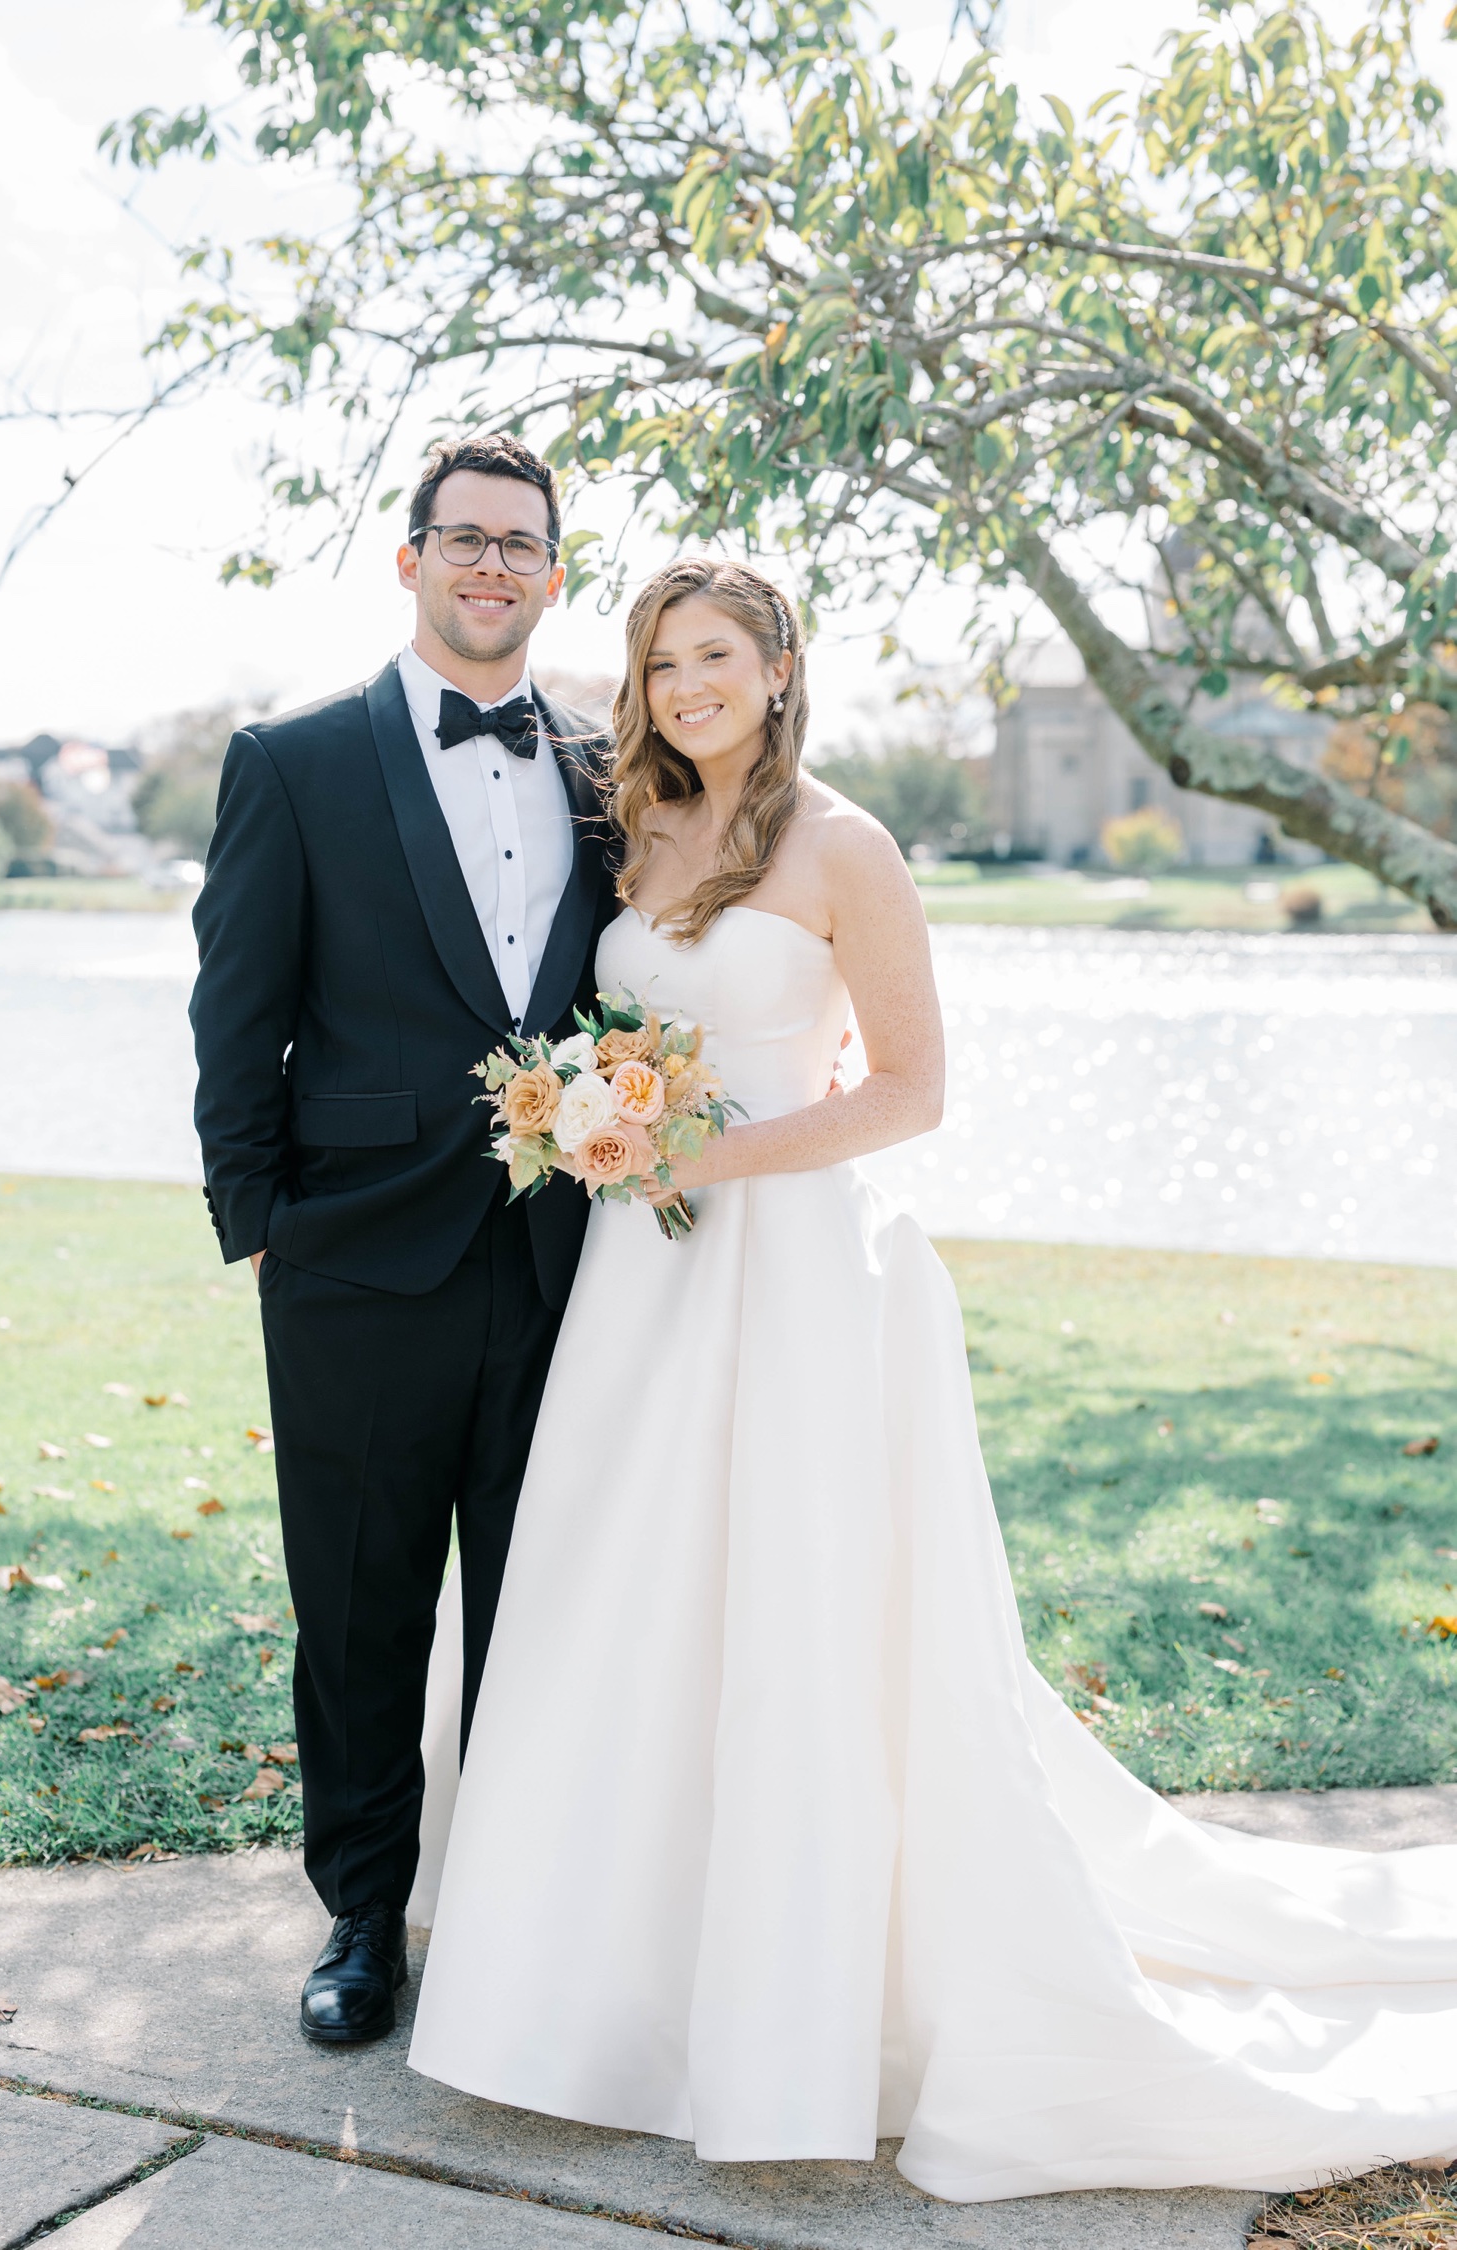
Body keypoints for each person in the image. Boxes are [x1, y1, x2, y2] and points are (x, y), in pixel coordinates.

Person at [407, 556, 1457, 2202]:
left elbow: (912, 1089)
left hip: (794, 1269)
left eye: (714, 657)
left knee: (799, 1627)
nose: (685, 685)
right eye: (661, 659)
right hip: (641, 1277)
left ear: (777, 666)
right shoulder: (636, 825)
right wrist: (588, 1116)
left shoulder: (845, 845)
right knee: (624, 1603)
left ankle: (792, 2016)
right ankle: (594, 1988)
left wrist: (701, 1142)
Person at [190, 432, 617, 2046]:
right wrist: (261, 1231)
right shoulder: (289, 762)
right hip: (355, 1265)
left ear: (553, 573)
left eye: (522, 544)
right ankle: (365, 1915)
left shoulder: (603, 766)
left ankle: (510, 1908)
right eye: (466, 539)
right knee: (361, 1609)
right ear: (412, 558)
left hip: (565, 1264)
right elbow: (234, 1012)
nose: (492, 565)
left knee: (542, 1600)